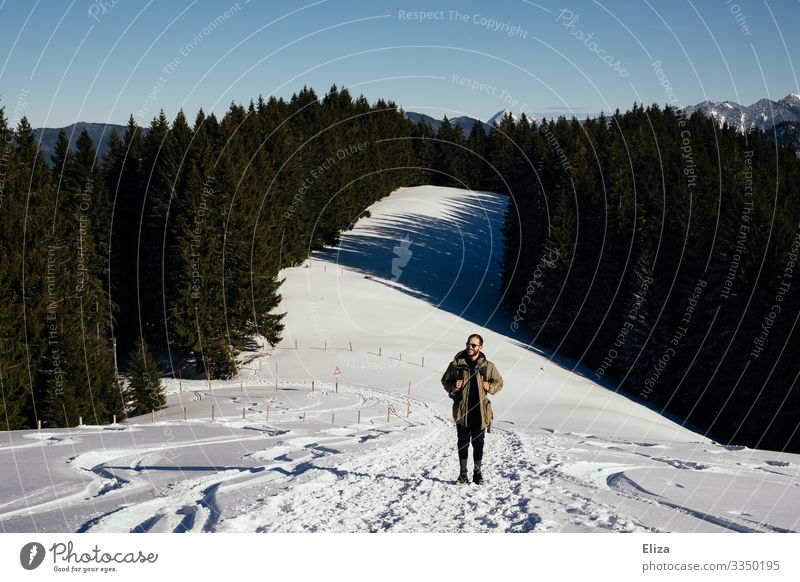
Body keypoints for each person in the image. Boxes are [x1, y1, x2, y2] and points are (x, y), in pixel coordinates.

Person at [441, 334, 503, 484]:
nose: (470, 347)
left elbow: (499, 382)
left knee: (478, 443)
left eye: (473, 345)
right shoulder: (456, 364)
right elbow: (445, 380)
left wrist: (490, 387)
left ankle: (477, 473)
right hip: (462, 410)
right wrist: (454, 386)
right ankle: (463, 474)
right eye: (468, 344)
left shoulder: (487, 366)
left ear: (480, 347)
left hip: (480, 412)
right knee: (462, 442)